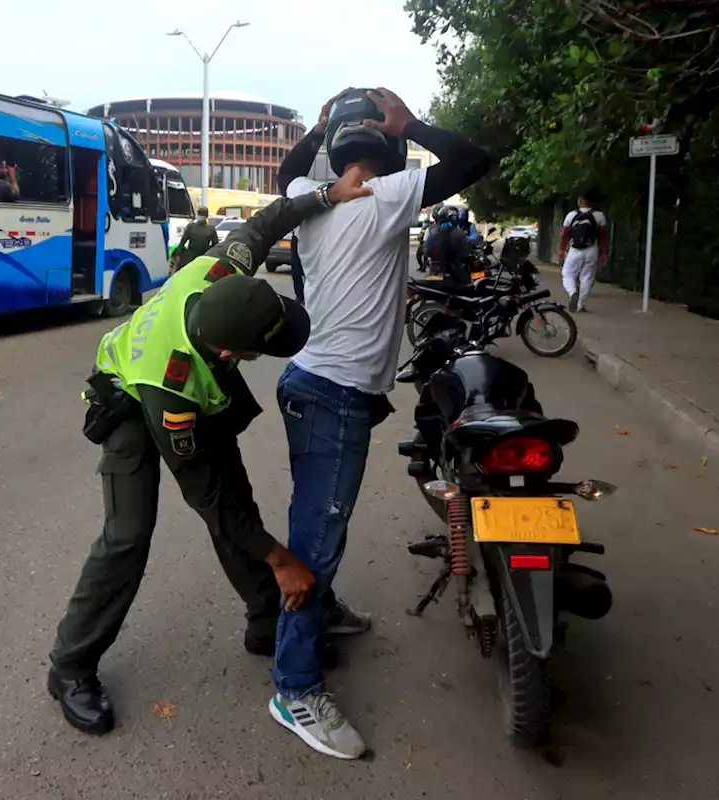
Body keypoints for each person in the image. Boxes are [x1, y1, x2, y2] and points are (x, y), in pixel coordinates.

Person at [47, 173, 375, 736]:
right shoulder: (172, 390)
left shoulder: (221, 269)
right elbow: (207, 496)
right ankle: (70, 666)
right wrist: (282, 559)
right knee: (130, 533)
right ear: (230, 350)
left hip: (197, 383)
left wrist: (328, 195)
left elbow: (265, 222)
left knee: (238, 501)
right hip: (131, 397)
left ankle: (264, 618)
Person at [271, 87, 490, 759]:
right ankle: (294, 686)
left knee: (317, 520)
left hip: (316, 384)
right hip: (333, 392)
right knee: (317, 536)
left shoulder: (312, 199)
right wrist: (412, 121)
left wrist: (313, 131)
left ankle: (323, 614)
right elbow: (473, 159)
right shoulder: (392, 195)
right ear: (391, 149)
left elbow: (287, 175)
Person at [559, 190, 608, 312]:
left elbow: (564, 235)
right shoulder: (599, 215)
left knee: (567, 274)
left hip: (575, 250)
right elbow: (602, 236)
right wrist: (604, 253)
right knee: (587, 277)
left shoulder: (571, 215)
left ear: (580, 201)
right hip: (591, 249)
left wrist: (561, 249)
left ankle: (572, 293)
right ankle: (581, 305)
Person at [422, 204, 471, 284]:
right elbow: (464, 252)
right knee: (467, 285)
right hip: (453, 267)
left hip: (434, 267)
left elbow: (426, 249)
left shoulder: (432, 230)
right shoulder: (459, 233)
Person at [169, 206, 219, 273]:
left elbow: (215, 245)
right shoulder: (191, 227)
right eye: (199, 214)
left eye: (202, 214)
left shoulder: (210, 229)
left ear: (206, 216)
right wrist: (178, 255)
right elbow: (182, 242)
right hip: (192, 257)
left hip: (202, 257)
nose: (200, 216)